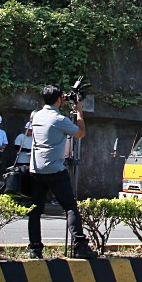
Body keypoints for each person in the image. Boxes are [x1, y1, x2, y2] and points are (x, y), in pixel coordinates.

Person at [27, 85, 95, 259]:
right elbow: (80, 133)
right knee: (70, 207)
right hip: (55, 170)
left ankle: (35, 248)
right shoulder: (60, 119)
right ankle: (80, 246)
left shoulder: (36, 115)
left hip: (36, 169)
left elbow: (51, 107)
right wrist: (78, 111)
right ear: (58, 99)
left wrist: (61, 100)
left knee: (35, 210)